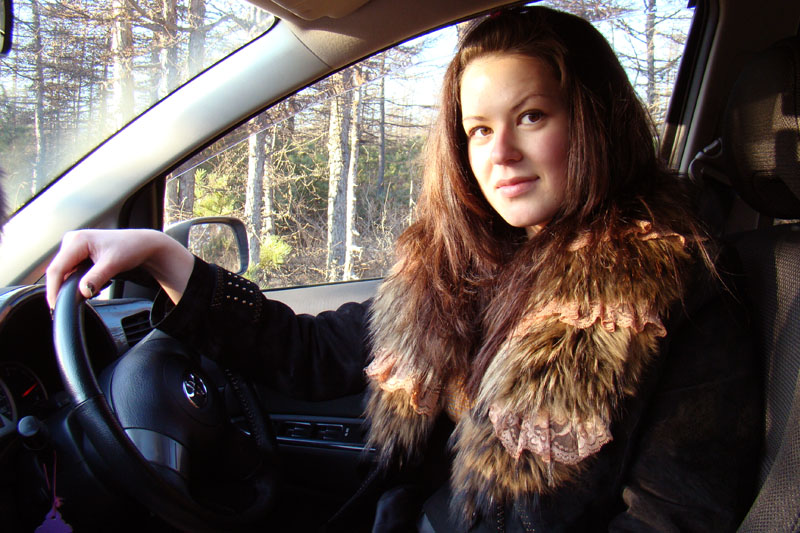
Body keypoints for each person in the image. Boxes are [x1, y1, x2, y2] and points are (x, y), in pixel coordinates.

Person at [46, 6, 760, 532]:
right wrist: (167, 257)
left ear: (594, 121)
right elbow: (312, 352)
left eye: (532, 116)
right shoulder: (466, 265)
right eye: (479, 129)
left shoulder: (678, 291)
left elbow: (674, 518)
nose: (500, 154)